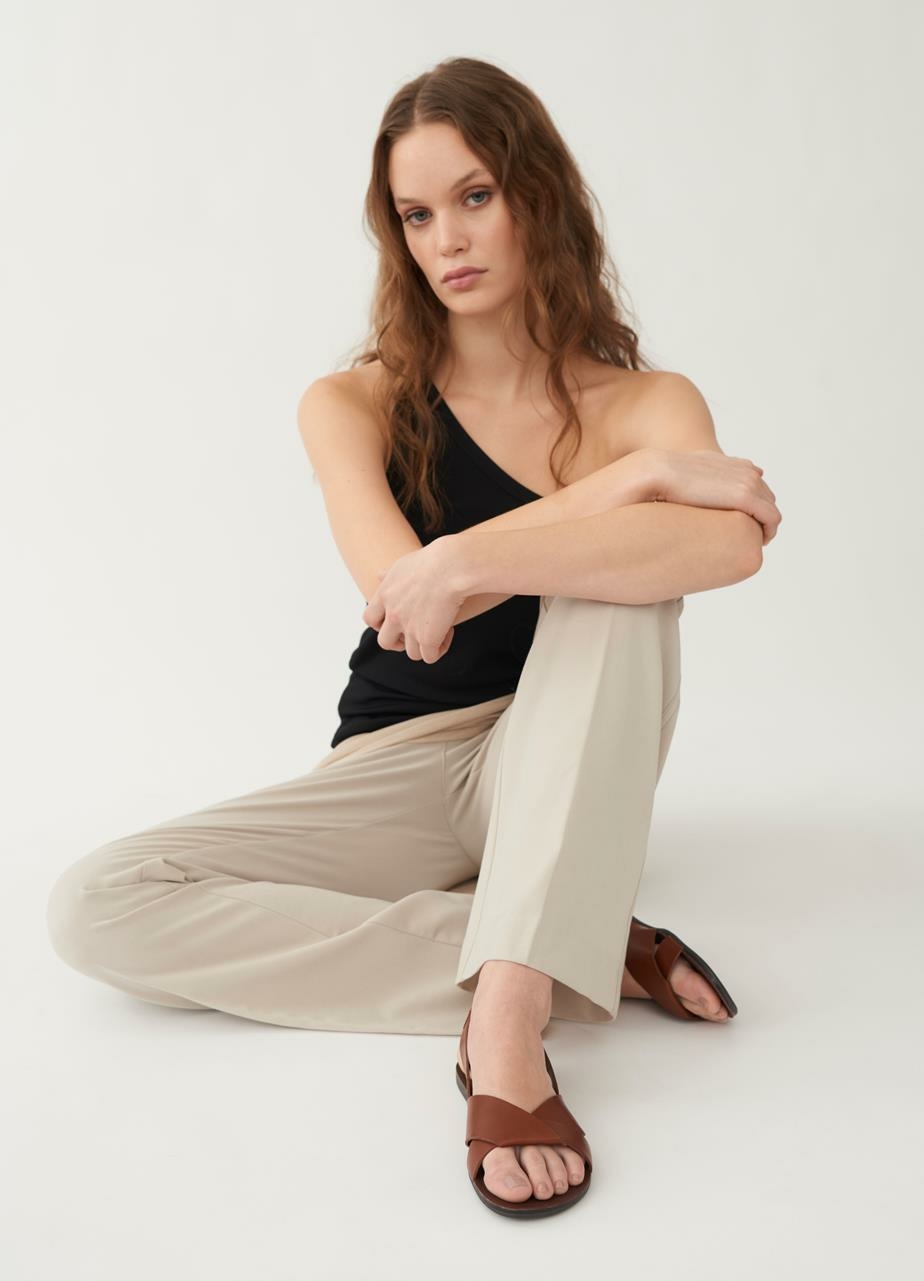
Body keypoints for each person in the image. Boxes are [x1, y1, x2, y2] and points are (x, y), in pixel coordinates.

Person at [45, 56, 781, 1219]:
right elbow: (400, 604)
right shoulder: (356, 402)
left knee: (617, 595)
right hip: (398, 763)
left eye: (476, 196)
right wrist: (623, 487)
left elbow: (728, 548)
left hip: (562, 754)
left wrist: (470, 559)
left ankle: (507, 1022)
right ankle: (567, 941)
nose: (450, 239)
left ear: (539, 195)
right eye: (417, 213)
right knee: (99, 905)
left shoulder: (648, 403)